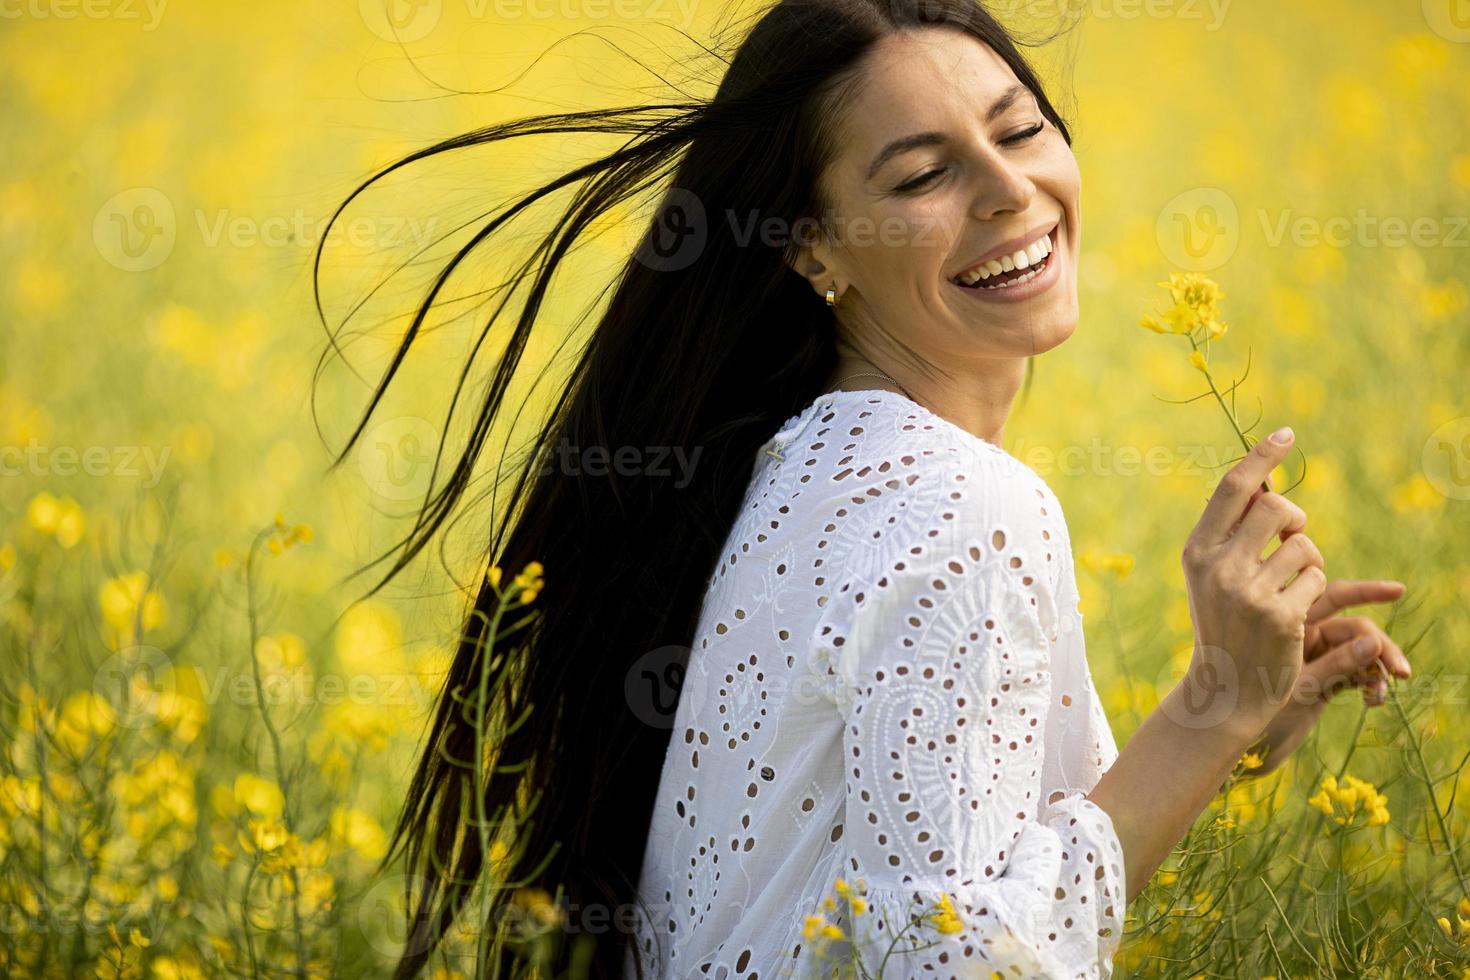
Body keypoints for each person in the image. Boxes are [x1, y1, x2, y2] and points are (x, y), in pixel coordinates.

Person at [316, 0, 1412, 976]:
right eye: (925, 173)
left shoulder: (792, 469)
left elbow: (914, 876)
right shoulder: (961, 505)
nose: (1008, 189)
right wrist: (1212, 709)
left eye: (1020, 129)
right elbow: (953, 955)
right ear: (811, 248)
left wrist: (1234, 706)